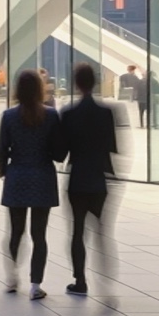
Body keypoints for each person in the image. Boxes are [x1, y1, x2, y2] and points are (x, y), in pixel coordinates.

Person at [0, 69, 64, 300]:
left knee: (15, 231)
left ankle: (13, 278)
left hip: (17, 175)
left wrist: (4, 171)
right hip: (42, 175)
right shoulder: (51, 115)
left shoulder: (9, 116)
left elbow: (1, 149)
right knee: (39, 234)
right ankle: (36, 284)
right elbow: (59, 153)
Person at [59, 63, 118, 298]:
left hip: (77, 177)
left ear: (76, 83)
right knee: (103, 231)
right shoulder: (106, 113)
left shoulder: (69, 113)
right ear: (95, 83)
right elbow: (113, 147)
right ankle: (106, 280)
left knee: (77, 231)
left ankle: (80, 280)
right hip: (100, 177)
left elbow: (61, 151)